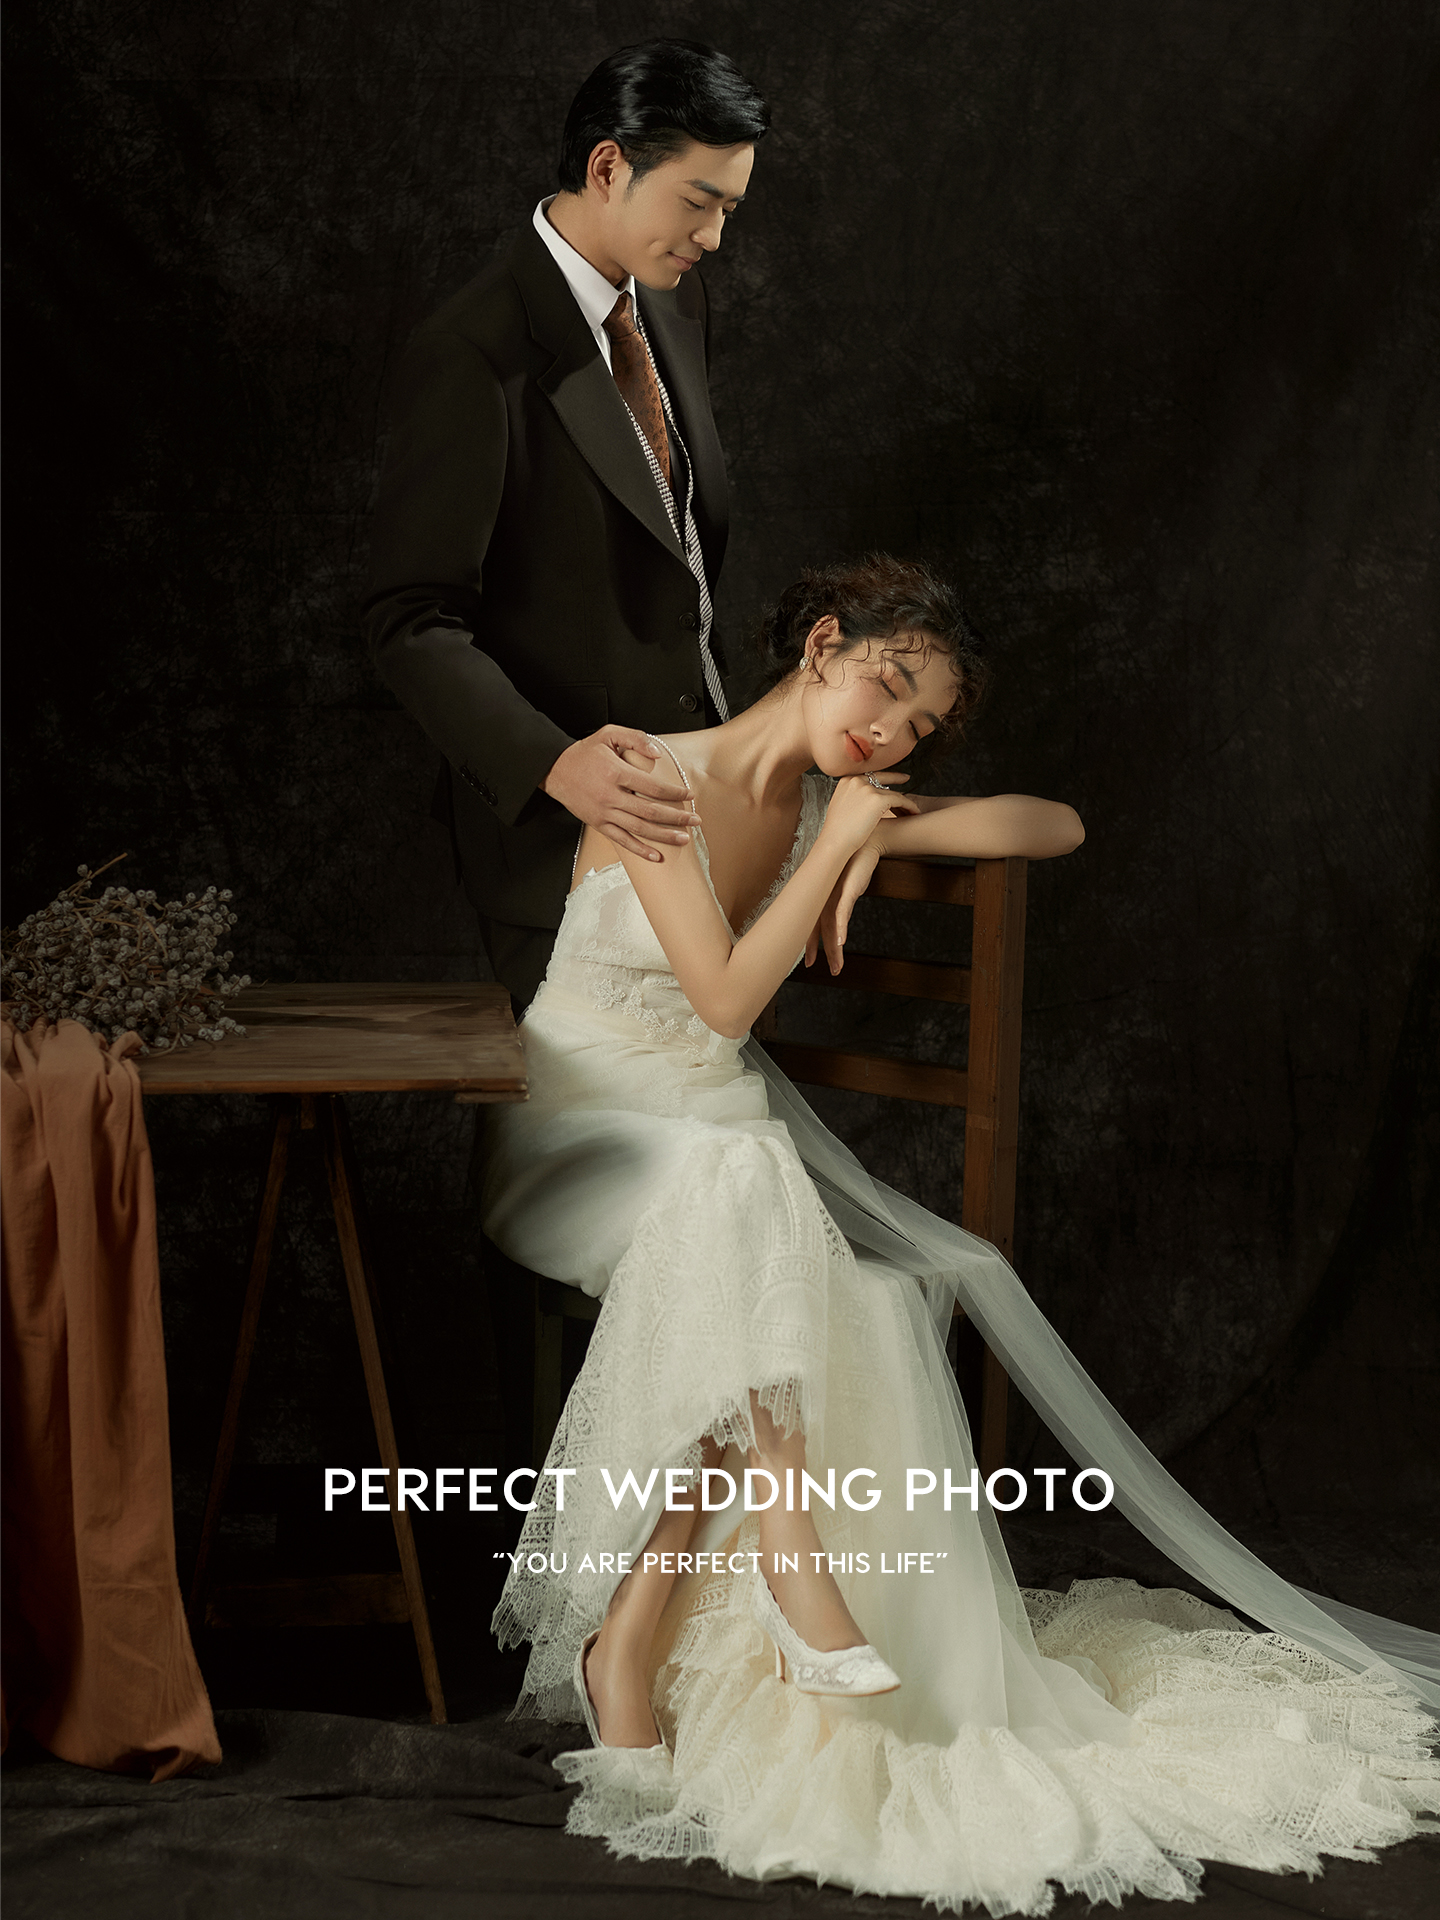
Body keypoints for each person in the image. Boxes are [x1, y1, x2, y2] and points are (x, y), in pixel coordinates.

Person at [479, 555, 1440, 1913]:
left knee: (745, 1219)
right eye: (884, 688)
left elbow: (1054, 826)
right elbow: (729, 1002)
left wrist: (868, 827)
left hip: (712, 1152)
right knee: (746, 1197)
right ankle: (789, 1566)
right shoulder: (649, 774)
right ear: (822, 644)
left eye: (920, 727)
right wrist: (838, 848)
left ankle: (626, 1647)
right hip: (580, 1131)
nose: (889, 734)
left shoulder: (837, 793)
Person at [364, 39, 769, 1011]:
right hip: (563, 848)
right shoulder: (470, 349)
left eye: (729, 209)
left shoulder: (674, 302)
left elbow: (672, 558)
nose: (714, 237)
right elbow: (411, 620)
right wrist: (551, 763)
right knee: (598, 1110)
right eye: (699, 201)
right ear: (607, 166)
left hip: (700, 827)